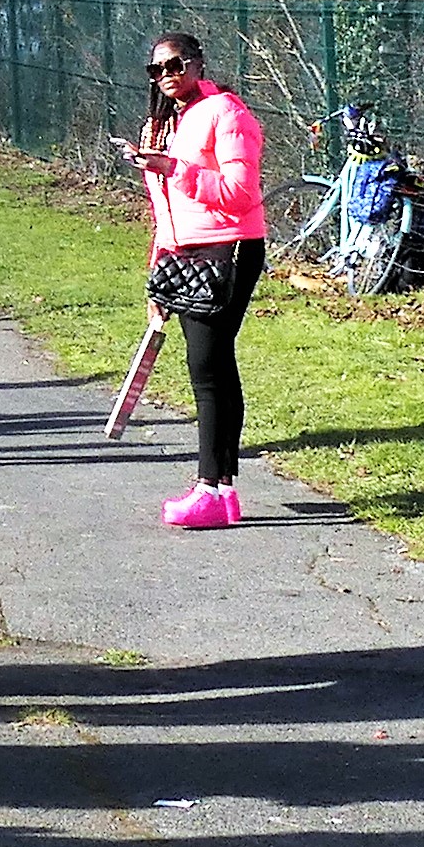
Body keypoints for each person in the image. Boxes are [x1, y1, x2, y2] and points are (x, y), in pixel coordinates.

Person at [131, 30, 269, 533]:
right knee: (214, 365)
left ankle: (210, 488)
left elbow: (238, 192)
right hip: (184, 251)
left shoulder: (226, 113)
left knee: (206, 367)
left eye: (175, 66)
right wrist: (159, 271)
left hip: (228, 247)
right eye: (156, 70)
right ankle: (223, 490)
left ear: (197, 65)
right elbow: (163, 209)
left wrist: (175, 168)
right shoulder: (160, 124)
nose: (166, 76)